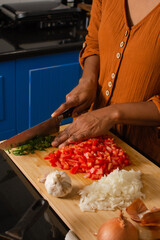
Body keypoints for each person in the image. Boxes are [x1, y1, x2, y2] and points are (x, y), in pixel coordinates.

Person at [51, 0, 160, 163]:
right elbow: (94, 42)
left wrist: (112, 114)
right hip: (93, 143)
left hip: (147, 154)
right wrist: (88, 80)